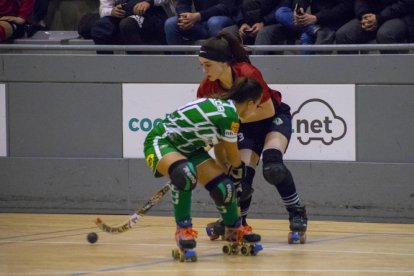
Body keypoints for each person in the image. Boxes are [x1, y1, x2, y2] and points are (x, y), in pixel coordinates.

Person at [197, 31, 307, 241]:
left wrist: (228, 126)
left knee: (273, 166)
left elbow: (267, 111)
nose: (204, 70)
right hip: (245, 126)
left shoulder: (247, 73)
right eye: (201, 65)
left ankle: (297, 212)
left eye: (208, 65)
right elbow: (212, 129)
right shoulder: (206, 88)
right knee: (242, 177)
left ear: (224, 62)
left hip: (271, 117)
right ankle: (238, 221)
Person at [143, 77, 263, 257]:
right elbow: (233, 157)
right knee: (186, 173)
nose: (256, 110)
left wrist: (230, 182)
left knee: (224, 187)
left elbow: (223, 155)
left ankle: (234, 227)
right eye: (257, 105)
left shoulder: (225, 110)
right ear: (251, 103)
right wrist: (240, 171)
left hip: (190, 150)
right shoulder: (230, 116)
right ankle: (183, 230)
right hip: (161, 143)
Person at [275, 0, 354, 54]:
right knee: (281, 12)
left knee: (306, 37)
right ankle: (315, 30)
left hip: (335, 21)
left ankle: (304, 76)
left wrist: (317, 18)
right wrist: (299, 9)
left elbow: (345, 7)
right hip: (313, 22)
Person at [335, 0, 414, 54]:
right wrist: (363, 13)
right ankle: (350, 76)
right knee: (344, 34)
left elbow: (407, 3)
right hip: (372, 14)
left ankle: (394, 75)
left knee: (385, 34)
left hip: (401, 16)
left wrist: (380, 17)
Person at [91, 0, 168, 54]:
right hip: (121, 14)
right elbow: (103, 9)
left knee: (127, 25)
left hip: (149, 13)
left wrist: (149, 2)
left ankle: (136, 67)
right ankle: (107, 68)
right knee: (99, 27)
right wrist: (111, 11)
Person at [222, 0, 291, 54]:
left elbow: (284, 6)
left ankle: (256, 69)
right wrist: (242, 22)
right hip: (246, 24)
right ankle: (229, 70)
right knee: (227, 33)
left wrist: (264, 22)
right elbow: (236, 7)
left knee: (263, 33)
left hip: (272, 23)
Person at [164, 0, 236, 45]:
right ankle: (178, 63)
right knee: (170, 23)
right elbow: (182, 3)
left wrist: (199, 15)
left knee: (214, 22)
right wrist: (184, 17)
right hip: (201, 22)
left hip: (225, 20)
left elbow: (225, 7)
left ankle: (218, 62)